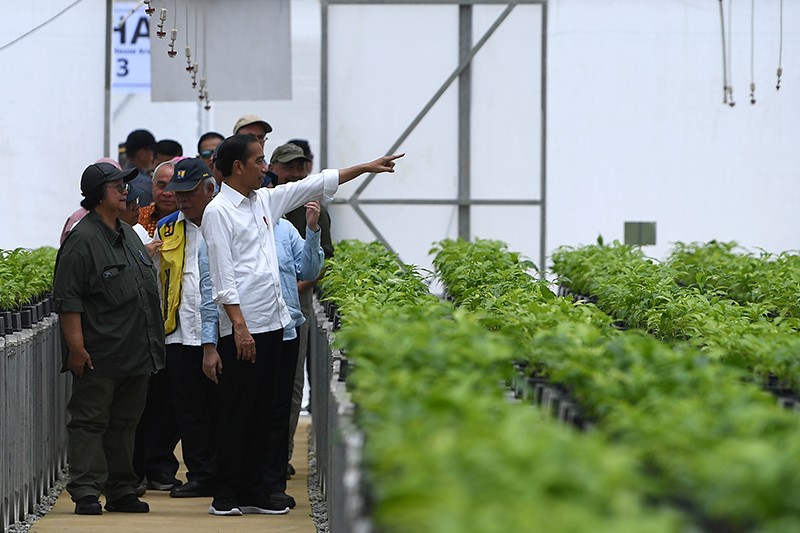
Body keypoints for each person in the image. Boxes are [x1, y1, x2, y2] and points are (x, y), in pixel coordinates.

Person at [201, 133, 402, 516]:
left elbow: (312, 183)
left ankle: (261, 489)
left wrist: (363, 168)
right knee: (238, 411)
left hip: (276, 322)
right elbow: (223, 278)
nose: (265, 167)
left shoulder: (264, 201)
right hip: (246, 329)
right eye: (258, 160)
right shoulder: (218, 212)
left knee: (270, 410)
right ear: (237, 168)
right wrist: (239, 329)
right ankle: (226, 493)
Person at [53, 162, 166, 515]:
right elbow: (69, 299)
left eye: (125, 185)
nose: (125, 191)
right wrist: (76, 347)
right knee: (90, 421)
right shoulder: (82, 240)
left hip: (135, 350)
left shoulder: (129, 233)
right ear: (98, 194)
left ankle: (121, 489)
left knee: (125, 422)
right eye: (117, 186)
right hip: (99, 352)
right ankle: (87, 491)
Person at [267, 143, 334, 476]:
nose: (295, 172)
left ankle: (282, 452)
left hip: (298, 301)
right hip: (260, 300)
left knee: (292, 381)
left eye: (300, 167)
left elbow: (321, 262)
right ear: (273, 167)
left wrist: (293, 289)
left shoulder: (314, 207)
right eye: (288, 167)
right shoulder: (263, 201)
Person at [155, 158, 219, 498]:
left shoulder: (224, 220)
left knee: (222, 404)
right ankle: (201, 474)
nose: (181, 200)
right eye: (177, 193)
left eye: (188, 193)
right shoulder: (166, 228)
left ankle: (226, 471)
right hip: (178, 333)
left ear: (209, 190)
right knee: (188, 407)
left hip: (220, 332)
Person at [138, 160, 178, 237]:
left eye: (173, 187)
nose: (167, 193)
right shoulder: (138, 217)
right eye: (161, 186)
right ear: (152, 186)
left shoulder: (192, 220)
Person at [124, 129, 157, 205]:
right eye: (152, 153)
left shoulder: (120, 178)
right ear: (142, 154)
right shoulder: (145, 184)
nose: (153, 158)